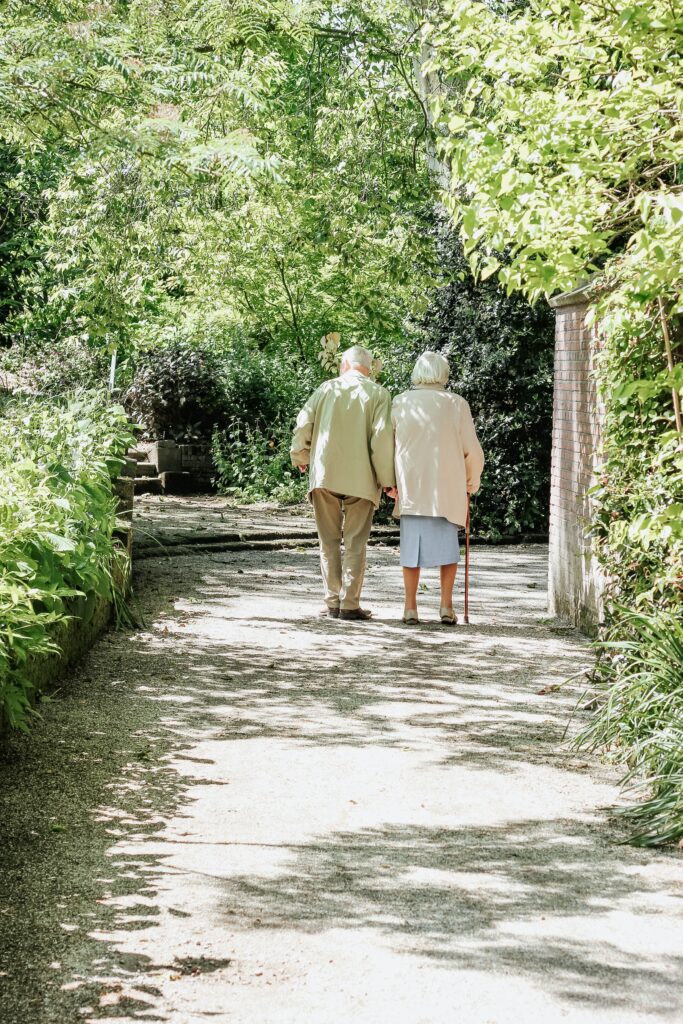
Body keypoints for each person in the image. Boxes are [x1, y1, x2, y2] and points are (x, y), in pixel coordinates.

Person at [290, 344, 395, 621]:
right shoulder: (379, 394)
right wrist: (387, 480)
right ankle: (349, 604)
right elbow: (382, 439)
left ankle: (332, 601)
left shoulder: (326, 389)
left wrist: (300, 455)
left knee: (328, 541)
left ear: (344, 365)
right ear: (369, 368)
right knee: (355, 543)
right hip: (362, 479)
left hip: (325, 475)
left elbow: (303, 424)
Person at [389, 351, 484, 626]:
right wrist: (471, 480)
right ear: (444, 374)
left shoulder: (401, 402)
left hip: (413, 486)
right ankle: (446, 606)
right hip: (447, 487)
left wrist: (390, 482)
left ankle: (410, 607)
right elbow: (472, 451)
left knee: (410, 550)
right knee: (448, 550)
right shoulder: (456, 404)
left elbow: (389, 446)